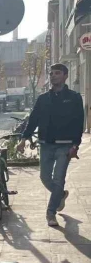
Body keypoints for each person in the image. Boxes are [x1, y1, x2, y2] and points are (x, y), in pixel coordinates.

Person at [17, 63, 84, 227]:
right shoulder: (43, 99)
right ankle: (60, 196)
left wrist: (75, 144)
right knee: (44, 177)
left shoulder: (74, 98)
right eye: (51, 73)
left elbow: (78, 122)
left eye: (57, 73)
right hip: (46, 144)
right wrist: (24, 138)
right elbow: (33, 120)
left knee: (58, 178)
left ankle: (51, 213)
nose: (53, 76)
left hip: (65, 146)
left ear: (65, 76)